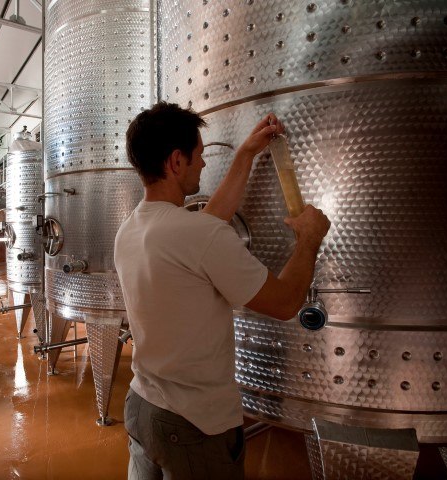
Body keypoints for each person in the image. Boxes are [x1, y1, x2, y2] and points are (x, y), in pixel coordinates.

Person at [114, 102, 330, 480]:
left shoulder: (131, 229)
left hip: (141, 407)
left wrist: (246, 153)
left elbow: (208, 226)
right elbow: (283, 303)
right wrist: (309, 239)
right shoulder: (197, 235)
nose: (203, 164)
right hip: (194, 425)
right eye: (198, 155)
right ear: (176, 161)